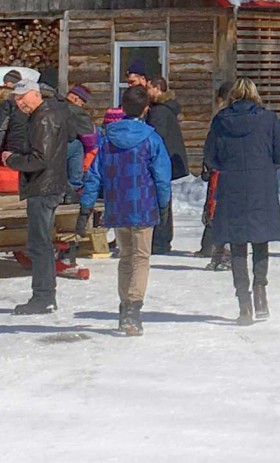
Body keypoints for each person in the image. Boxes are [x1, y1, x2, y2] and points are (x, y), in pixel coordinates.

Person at [76, 85, 171, 336]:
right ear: (146, 109)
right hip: (143, 203)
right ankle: (133, 309)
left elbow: (94, 175)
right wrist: (164, 205)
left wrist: (86, 207)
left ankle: (124, 307)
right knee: (141, 258)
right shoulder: (151, 139)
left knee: (126, 257)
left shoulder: (108, 140)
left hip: (117, 205)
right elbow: (161, 176)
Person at [203, 78, 280, 324]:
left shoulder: (221, 121)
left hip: (232, 186)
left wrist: (228, 167)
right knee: (260, 240)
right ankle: (261, 293)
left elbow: (211, 156)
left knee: (238, 243)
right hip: (261, 184)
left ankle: (244, 304)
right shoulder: (268, 119)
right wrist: (265, 165)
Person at [2, 79, 69, 315]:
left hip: (44, 187)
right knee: (40, 243)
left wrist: (12, 160)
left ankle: (43, 297)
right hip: (46, 185)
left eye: (23, 98)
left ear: (35, 94)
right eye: (16, 99)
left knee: (39, 244)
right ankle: (44, 295)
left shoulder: (44, 117)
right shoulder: (45, 115)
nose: (19, 103)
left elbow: (41, 158)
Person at [145, 76, 188, 253]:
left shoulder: (159, 112)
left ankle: (160, 240)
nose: (146, 91)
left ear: (157, 88)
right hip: (168, 160)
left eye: (148, 87)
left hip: (162, 161)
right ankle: (162, 239)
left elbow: (157, 137)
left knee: (160, 199)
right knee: (163, 198)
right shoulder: (164, 109)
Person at [197, 83, 234, 267]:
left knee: (216, 207)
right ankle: (214, 248)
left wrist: (209, 162)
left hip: (221, 168)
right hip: (227, 168)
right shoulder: (227, 117)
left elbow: (211, 144)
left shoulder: (222, 118)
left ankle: (215, 249)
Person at [64, 84, 97, 195]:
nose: (81, 106)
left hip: (41, 145)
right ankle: (75, 185)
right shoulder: (74, 110)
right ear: (75, 98)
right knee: (77, 146)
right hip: (57, 148)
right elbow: (90, 136)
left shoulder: (54, 104)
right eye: (81, 104)